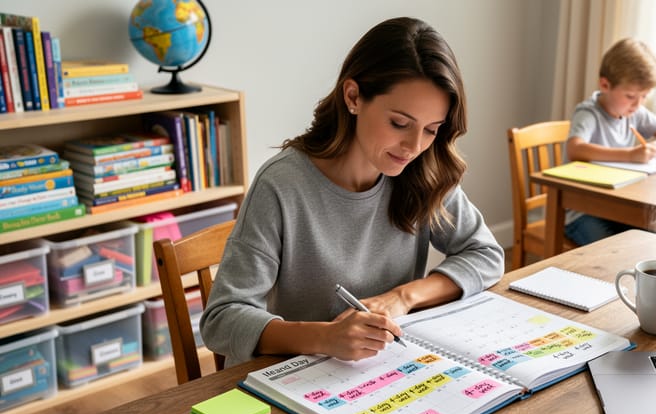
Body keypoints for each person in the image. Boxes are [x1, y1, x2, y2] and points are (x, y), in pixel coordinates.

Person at [201, 17, 504, 367]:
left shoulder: (423, 169)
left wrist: (403, 297)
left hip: (384, 369)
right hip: (298, 375)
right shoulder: (281, 185)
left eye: (431, 129)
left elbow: (486, 255)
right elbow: (221, 319)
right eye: (399, 123)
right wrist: (325, 337)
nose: (413, 146)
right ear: (353, 97)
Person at [564, 37, 656, 246]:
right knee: (613, 251)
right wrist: (629, 155)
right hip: (582, 212)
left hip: (618, 206)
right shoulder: (589, 113)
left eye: (644, 96)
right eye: (630, 96)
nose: (638, 104)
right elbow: (575, 148)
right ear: (605, 85)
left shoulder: (633, 113)